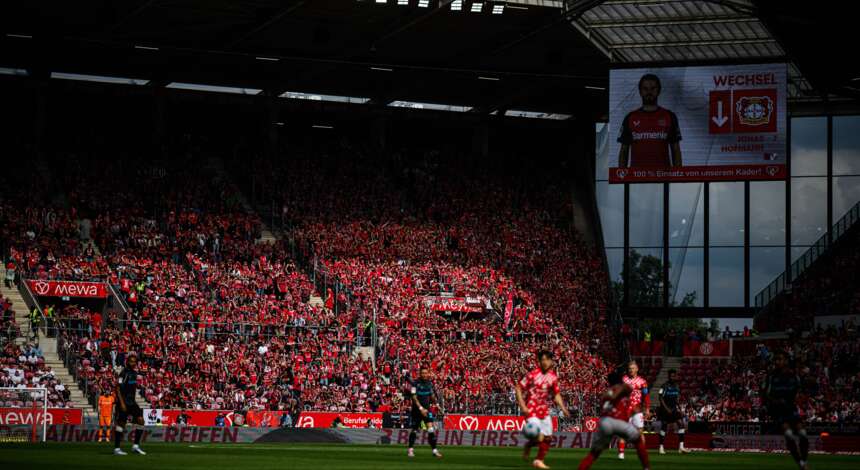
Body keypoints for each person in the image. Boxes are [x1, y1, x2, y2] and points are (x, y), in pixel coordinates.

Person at [516, 350, 570, 470]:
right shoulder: (532, 375)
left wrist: (563, 408)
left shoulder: (553, 377)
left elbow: (556, 394)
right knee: (539, 437)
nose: (545, 362)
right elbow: (518, 388)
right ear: (539, 362)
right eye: (542, 360)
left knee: (548, 438)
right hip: (531, 409)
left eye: (547, 359)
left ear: (551, 361)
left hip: (544, 411)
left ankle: (538, 460)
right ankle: (531, 448)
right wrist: (523, 406)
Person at [577, 381, 650, 470]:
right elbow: (628, 391)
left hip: (605, 422)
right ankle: (646, 467)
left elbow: (604, 405)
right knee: (638, 440)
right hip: (619, 422)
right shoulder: (623, 393)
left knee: (594, 453)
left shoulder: (605, 394)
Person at [618, 73, 683, 168]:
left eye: (653, 88)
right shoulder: (630, 117)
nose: (649, 92)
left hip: (663, 177)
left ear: (659, 91)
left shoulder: (669, 116)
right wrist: (621, 178)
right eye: (645, 89)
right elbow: (624, 150)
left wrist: (678, 178)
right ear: (640, 91)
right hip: (636, 179)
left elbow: (676, 149)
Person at [765, 352, 809, 470]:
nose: (777, 362)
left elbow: (800, 393)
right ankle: (801, 464)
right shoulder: (771, 377)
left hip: (792, 409)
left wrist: (799, 399)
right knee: (789, 435)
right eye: (776, 360)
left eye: (780, 359)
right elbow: (766, 394)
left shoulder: (794, 376)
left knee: (803, 435)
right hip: (778, 411)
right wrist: (775, 401)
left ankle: (803, 462)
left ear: (785, 361)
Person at [406, 366, 443, 459]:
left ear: (428, 373)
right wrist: (421, 408)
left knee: (431, 429)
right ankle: (410, 450)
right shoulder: (415, 383)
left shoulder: (429, 384)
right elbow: (414, 397)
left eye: (426, 373)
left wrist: (437, 404)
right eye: (423, 373)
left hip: (427, 410)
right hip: (417, 410)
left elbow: (432, 395)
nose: (424, 375)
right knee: (414, 429)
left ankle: (434, 451)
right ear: (420, 373)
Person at [114, 355, 146, 455]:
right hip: (123, 402)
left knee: (141, 420)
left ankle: (135, 446)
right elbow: (118, 388)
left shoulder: (134, 373)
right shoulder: (123, 373)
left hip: (132, 402)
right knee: (121, 425)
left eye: (134, 362)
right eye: (131, 361)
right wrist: (122, 403)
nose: (133, 363)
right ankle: (117, 449)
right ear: (128, 362)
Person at [618, 360, 649, 460]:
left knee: (639, 432)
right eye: (629, 368)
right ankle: (621, 453)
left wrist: (647, 408)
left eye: (632, 368)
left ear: (637, 369)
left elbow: (646, 396)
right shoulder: (624, 379)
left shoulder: (642, 382)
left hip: (637, 410)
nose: (630, 370)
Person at [656, 369, 689, 454]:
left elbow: (677, 399)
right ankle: (661, 447)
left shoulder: (677, 386)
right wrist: (667, 409)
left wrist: (680, 409)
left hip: (673, 409)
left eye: (674, 376)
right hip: (664, 410)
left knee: (681, 424)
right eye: (671, 376)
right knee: (664, 426)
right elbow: (660, 398)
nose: (672, 377)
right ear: (668, 376)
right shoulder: (664, 386)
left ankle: (681, 447)